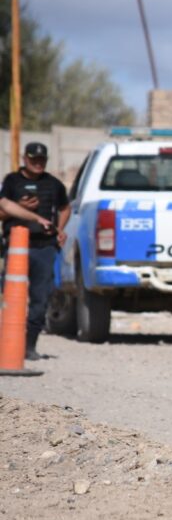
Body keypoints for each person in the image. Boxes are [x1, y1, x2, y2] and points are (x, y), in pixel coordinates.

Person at [0, 142, 70, 360]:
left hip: (44, 247)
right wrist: (21, 209)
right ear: (25, 159)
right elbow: (3, 210)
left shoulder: (54, 184)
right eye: (34, 159)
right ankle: (8, 344)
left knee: (41, 298)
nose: (38, 163)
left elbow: (65, 208)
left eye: (42, 160)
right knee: (10, 296)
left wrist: (59, 229)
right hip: (16, 247)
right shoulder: (11, 182)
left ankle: (29, 346)